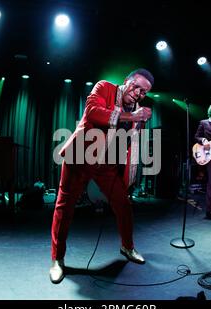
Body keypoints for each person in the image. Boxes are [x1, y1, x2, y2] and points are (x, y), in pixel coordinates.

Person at [49, 69, 153, 283]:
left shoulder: (137, 110)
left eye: (144, 92)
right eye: (136, 87)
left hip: (107, 164)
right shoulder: (104, 87)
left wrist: (138, 123)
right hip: (79, 156)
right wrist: (130, 116)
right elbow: (93, 112)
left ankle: (127, 247)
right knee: (64, 207)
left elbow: (130, 142)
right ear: (126, 81)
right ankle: (57, 259)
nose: (138, 93)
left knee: (123, 205)